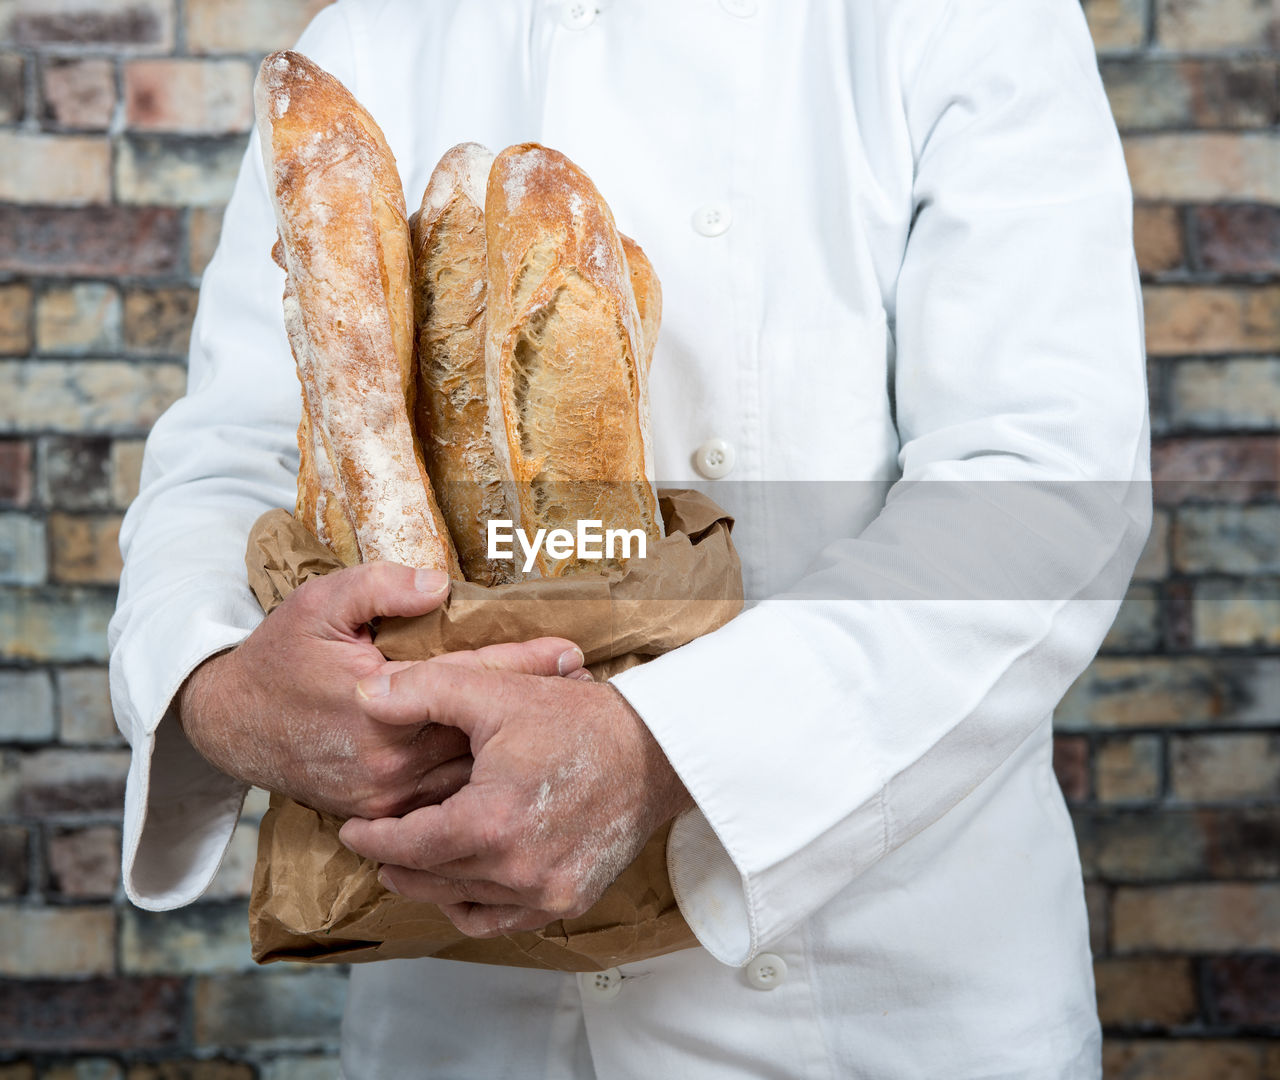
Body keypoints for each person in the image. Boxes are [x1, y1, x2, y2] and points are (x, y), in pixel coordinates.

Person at [109, 0, 1151, 1076]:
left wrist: (661, 750)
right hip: (458, 1016)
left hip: (877, 1005)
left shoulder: (958, 19)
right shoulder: (372, 35)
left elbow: (1038, 487)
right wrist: (218, 688)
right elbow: (229, 456)